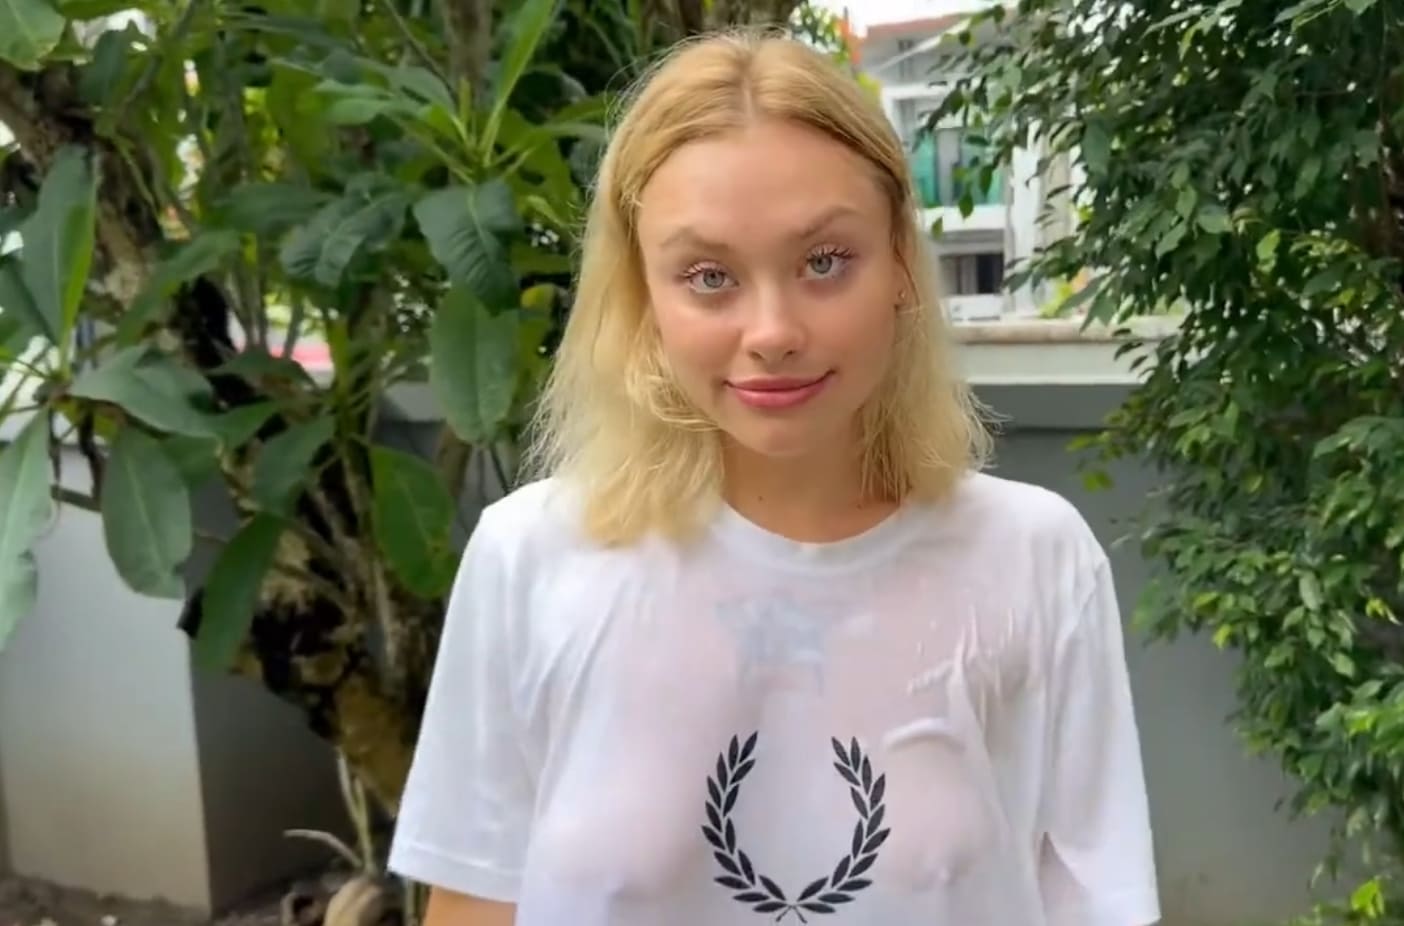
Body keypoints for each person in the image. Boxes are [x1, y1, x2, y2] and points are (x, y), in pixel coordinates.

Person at [387, 27, 1161, 926]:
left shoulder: (1032, 557)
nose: (773, 332)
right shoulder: (531, 558)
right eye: (708, 275)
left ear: (902, 265)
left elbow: (1095, 904)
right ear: (642, 294)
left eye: (824, 262)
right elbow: (475, 901)